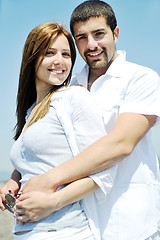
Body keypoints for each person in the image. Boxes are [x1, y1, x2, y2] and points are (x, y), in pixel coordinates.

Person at [3, 1, 160, 240]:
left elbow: (121, 144)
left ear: (115, 33)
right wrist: (16, 180)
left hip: (131, 220)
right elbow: (44, 146)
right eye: (82, 38)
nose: (92, 45)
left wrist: (49, 183)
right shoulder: (69, 86)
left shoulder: (140, 78)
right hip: (82, 217)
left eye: (99, 34)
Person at [0, 21, 112, 240]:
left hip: (66, 232)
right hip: (26, 231)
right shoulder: (31, 111)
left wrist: (52, 202)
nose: (59, 61)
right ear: (31, 57)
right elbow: (35, 161)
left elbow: (103, 171)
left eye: (66, 54)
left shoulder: (73, 98)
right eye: (50, 53)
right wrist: (12, 182)